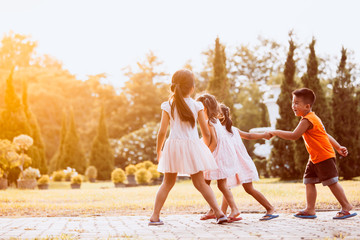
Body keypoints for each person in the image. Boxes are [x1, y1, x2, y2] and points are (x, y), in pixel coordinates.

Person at [149, 69, 227, 225]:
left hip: (173, 146)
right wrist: (202, 149)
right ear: (192, 88)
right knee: (199, 183)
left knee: (167, 183)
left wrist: (159, 151)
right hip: (191, 145)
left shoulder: (167, 105)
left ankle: (154, 217)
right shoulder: (197, 105)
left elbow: (162, 132)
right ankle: (219, 213)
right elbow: (205, 132)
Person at [269, 88, 357, 219]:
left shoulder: (308, 120)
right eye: (293, 103)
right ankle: (310, 209)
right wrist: (338, 147)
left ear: (307, 106)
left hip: (324, 156)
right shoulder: (311, 117)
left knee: (331, 182)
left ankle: (347, 207)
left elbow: (294, 136)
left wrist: (275, 132)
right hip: (314, 158)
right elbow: (325, 134)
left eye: (296, 103)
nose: (293, 106)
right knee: (308, 181)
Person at [196, 94, 240, 223]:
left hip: (219, 155)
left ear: (204, 108)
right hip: (224, 154)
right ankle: (214, 210)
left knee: (216, 184)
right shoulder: (214, 120)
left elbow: (214, 143)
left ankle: (234, 209)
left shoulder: (208, 122)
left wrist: (204, 155)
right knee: (211, 182)